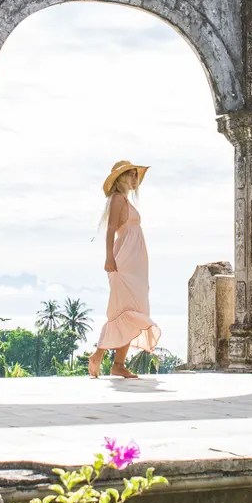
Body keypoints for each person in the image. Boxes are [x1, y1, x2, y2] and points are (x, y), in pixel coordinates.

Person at [89, 160, 161, 379]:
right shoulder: (117, 199)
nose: (134, 178)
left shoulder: (126, 201)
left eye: (135, 175)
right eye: (130, 174)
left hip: (136, 263)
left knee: (137, 309)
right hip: (124, 261)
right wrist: (109, 256)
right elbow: (111, 229)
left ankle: (117, 364)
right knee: (123, 310)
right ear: (120, 178)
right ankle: (102, 356)